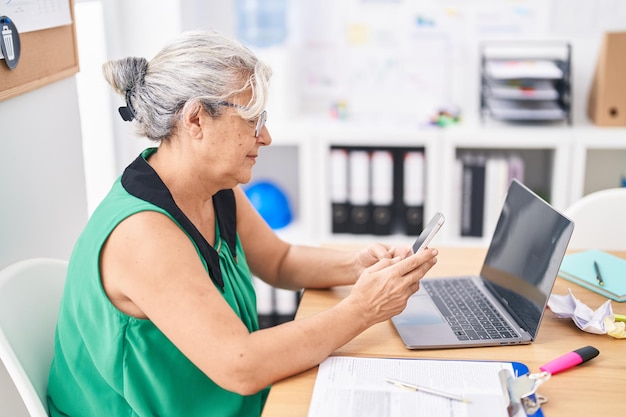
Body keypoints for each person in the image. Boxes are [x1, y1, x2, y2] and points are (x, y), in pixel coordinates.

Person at [47, 30, 438, 417]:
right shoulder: (143, 236)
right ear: (196, 118)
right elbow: (242, 365)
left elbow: (279, 261)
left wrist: (357, 267)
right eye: (252, 118)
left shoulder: (214, 188)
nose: (265, 136)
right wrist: (364, 307)